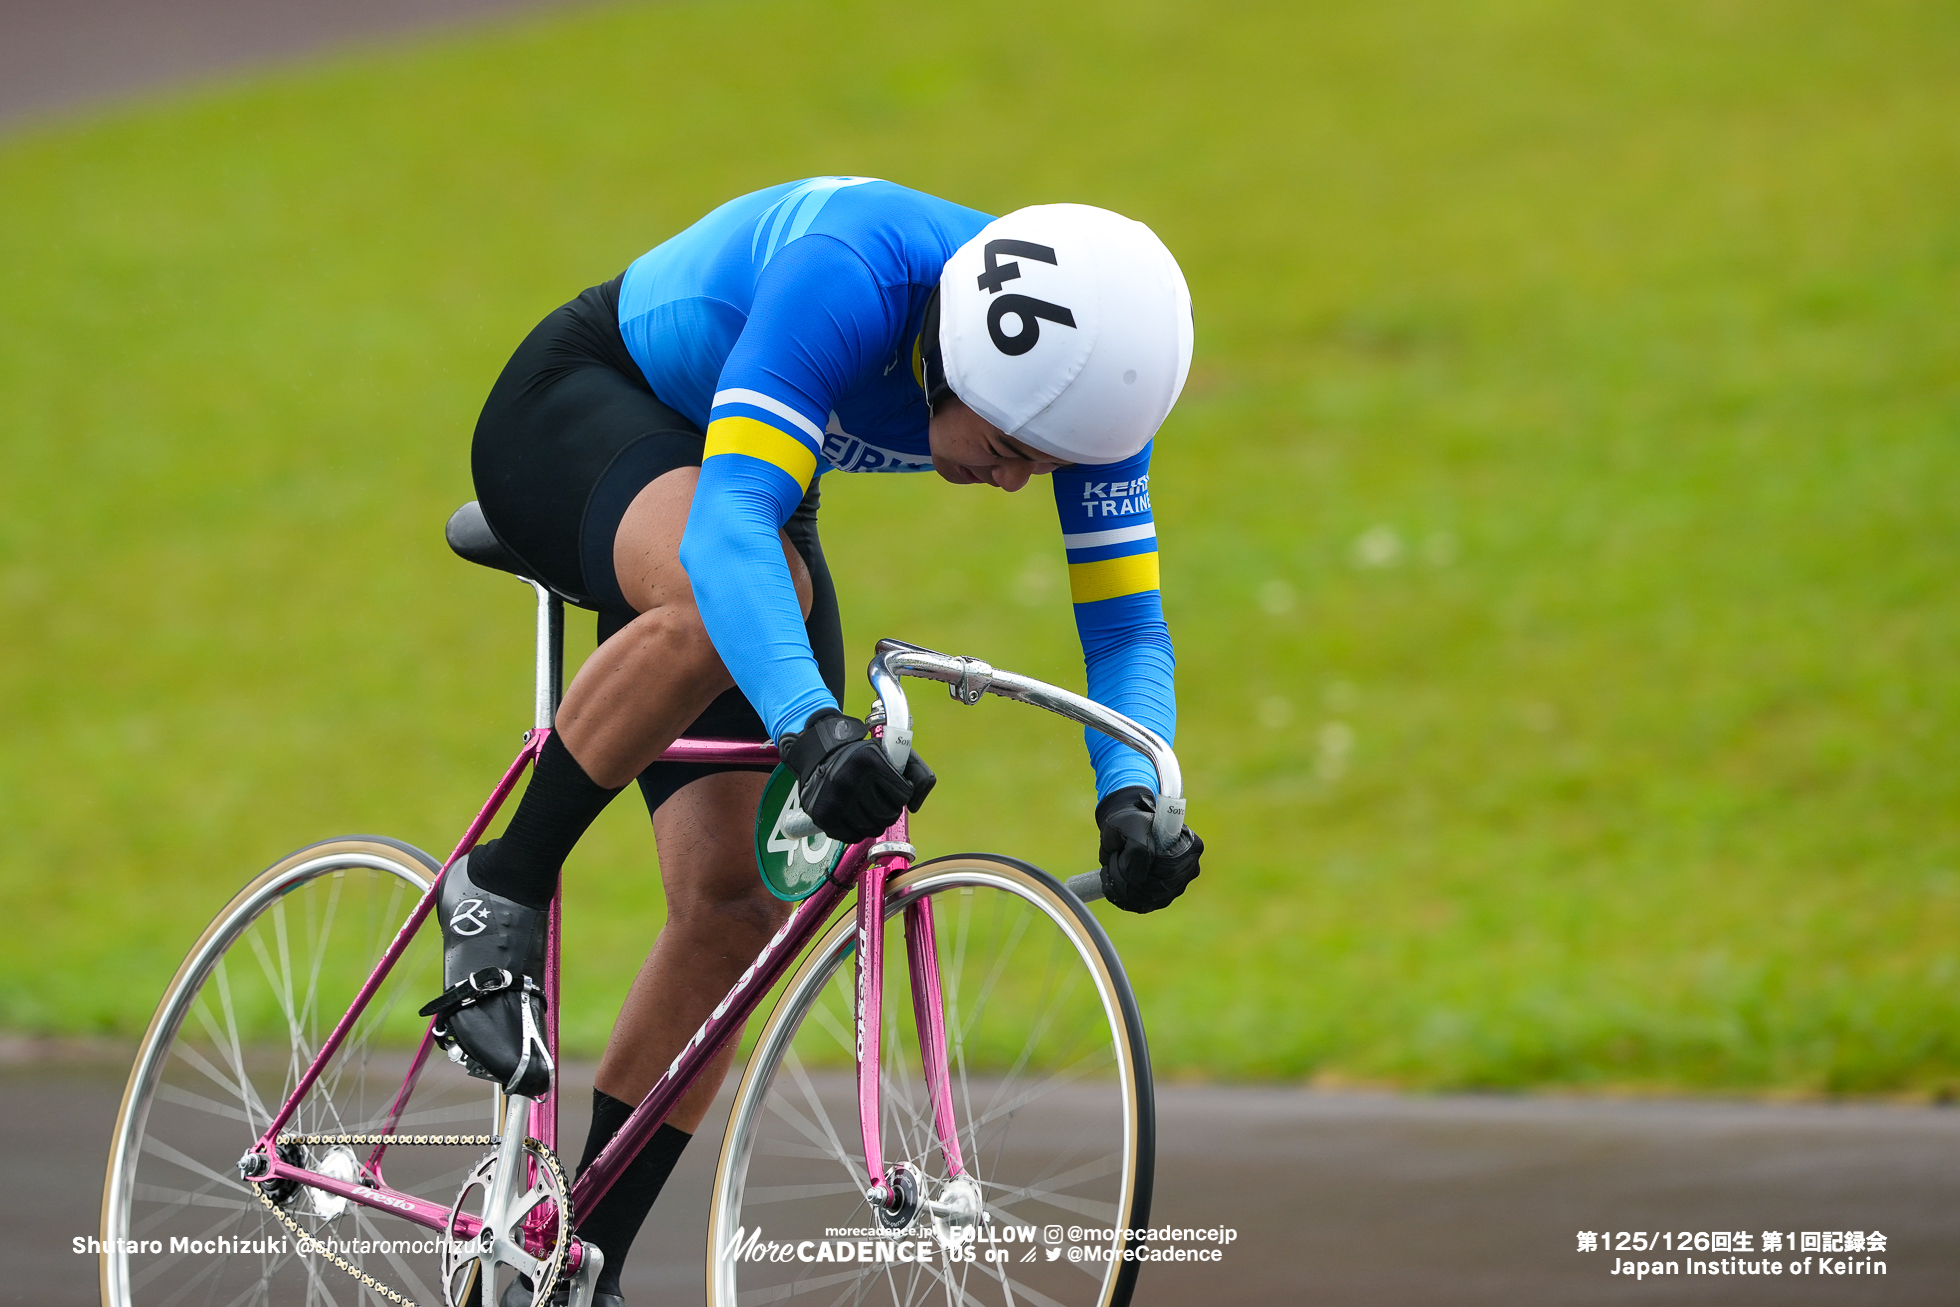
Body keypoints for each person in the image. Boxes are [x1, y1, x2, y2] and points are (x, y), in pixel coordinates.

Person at [426, 177, 1204, 1306]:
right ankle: (499, 885)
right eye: (1009, 448)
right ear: (958, 362)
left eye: (1044, 462)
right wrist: (809, 725)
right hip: (589, 404)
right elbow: (732, 528)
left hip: (744, 470)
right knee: (733, 599)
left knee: (743, 907)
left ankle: (571, 1254)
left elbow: (1126, 622)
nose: (1015, 481)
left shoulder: (1076, 388)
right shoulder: (856, 269)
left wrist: (1131, 794)